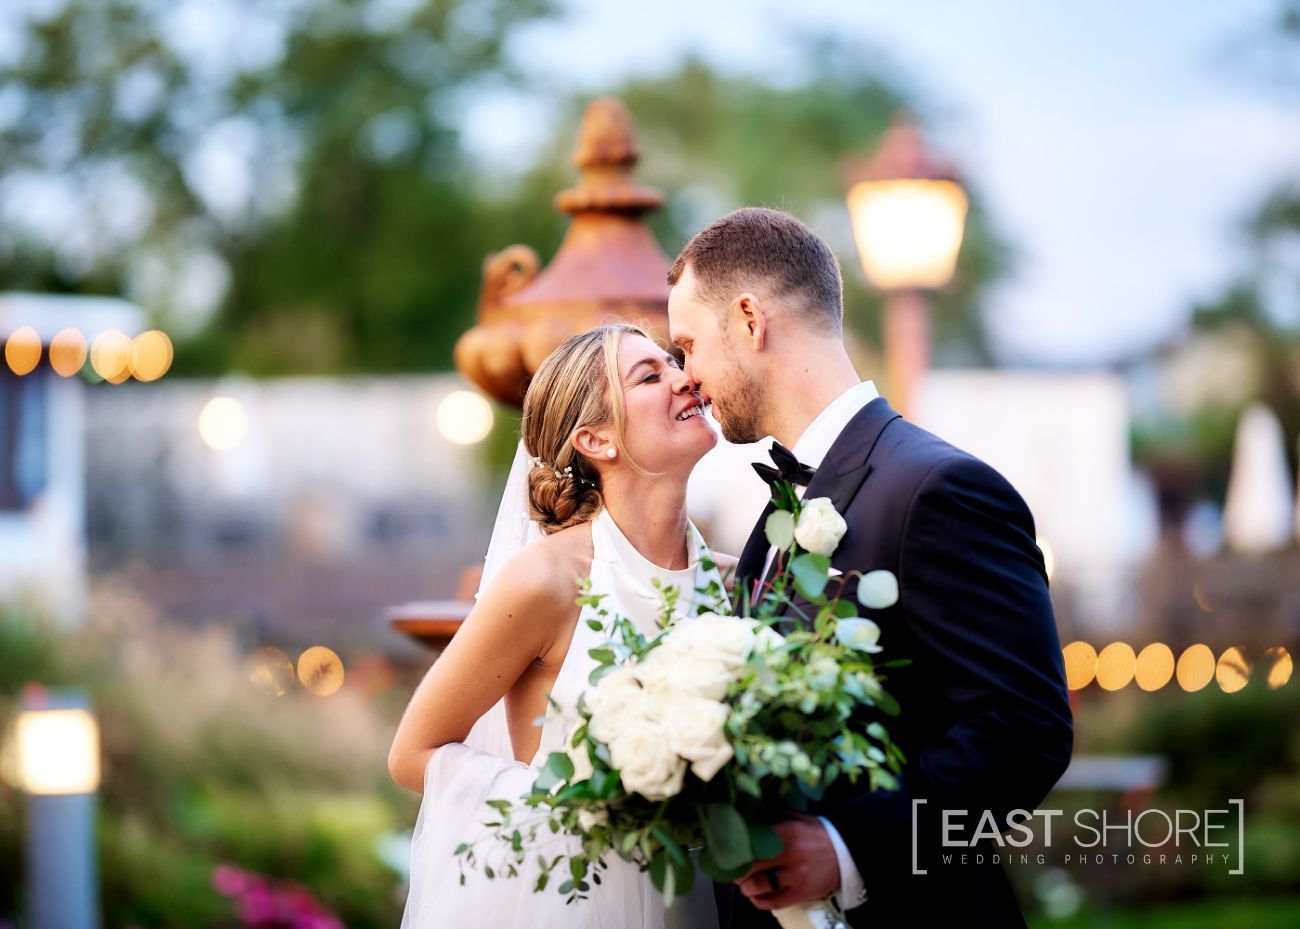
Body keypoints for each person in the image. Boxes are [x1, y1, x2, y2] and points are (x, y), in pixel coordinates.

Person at [666, 207, 1074, 928]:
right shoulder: (773, 518)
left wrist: (847, 844)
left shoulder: (940, 489)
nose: (688, 376)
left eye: (689, 344)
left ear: (750, 319)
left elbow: (1024, 728)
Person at [389, 323, 725, 929]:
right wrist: (594, 806)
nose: (686, 379)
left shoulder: (735, 582)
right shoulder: (545, 581)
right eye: (651, 376)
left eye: (675, 362)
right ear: (596, 439)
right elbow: (413, 753)